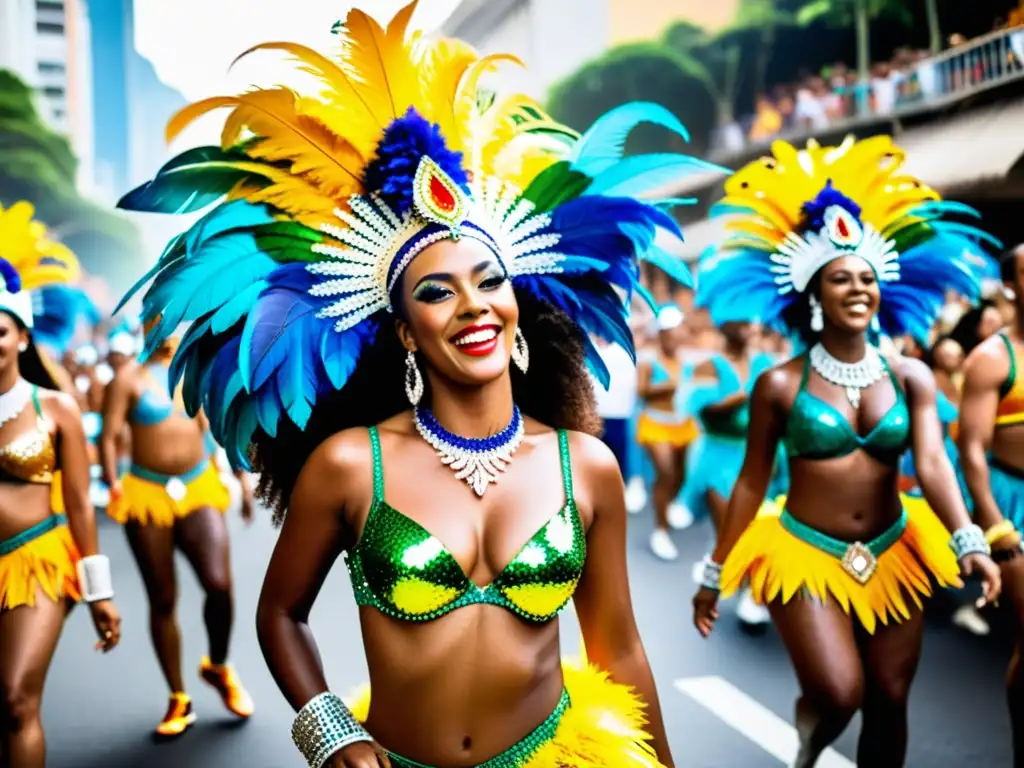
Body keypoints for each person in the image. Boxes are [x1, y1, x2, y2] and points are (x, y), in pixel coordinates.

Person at [115, 3, 726, 765]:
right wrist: (331, 735)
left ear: (516, 305)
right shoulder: (349, 466)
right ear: (404, 332)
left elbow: (620, 649)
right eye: (436, 292)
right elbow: (281, 616)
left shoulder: (585, 466)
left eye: (489, 281)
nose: (471, 305)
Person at [690, 136, 1002, 768]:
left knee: (889, 697)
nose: (858, 288)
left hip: (894, 549)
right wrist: (715, 571)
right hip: (806, 551)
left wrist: (970, 538)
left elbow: (935, 463)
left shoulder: (910, 376)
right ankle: (814, 724)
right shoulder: (778, 384)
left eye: (867, 277)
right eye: (841, 279)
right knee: (840, 691)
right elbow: (751, 484)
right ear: (814, 293)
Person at [0, 200, 120, 767]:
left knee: (16, 698)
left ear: (21, 338)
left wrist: (98, 592)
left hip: (38, 559)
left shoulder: (56, 409)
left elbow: (79, 505)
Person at [99, 325, 255, 738]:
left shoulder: (194, 371)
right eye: (159, 321)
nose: (168, 331)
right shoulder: (127, 379)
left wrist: (240, 480)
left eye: (175, 322)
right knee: (163, 597)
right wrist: (113, 483)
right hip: (146, 492)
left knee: (219, 585)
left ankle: (218, 666)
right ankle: (178, 698)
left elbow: (215, 426)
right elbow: (111, 434)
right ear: (146, 325)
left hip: (198, 485)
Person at [958, 244, 1024, 765]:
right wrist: (996, 526)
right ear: (1010, 286)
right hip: (1010, 501)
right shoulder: (993, 358)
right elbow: (972, 452)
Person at [636, 304, 699, 560]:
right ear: (661, 334)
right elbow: (641, 392)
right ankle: (660, 531)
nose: (674, 338)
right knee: (666, 472)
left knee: (680, 477)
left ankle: (668, 506)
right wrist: (669, 386)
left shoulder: (685, 362)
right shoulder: (649, 362)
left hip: (682, 425)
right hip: (655, 423)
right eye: (669, 333)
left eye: (677, 333)